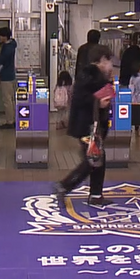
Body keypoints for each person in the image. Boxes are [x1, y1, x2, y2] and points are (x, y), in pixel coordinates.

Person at [52, 44, 116, 209]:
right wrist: (98, 101)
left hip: (94, 125)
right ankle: (64, 185)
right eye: (109, 61)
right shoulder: (88, 75)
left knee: (98, 158)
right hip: (87, 125)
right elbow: (80, 98)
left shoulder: (100, 76)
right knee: (92, 160)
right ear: (102, 60)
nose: (111, 65)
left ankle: (96, 195)